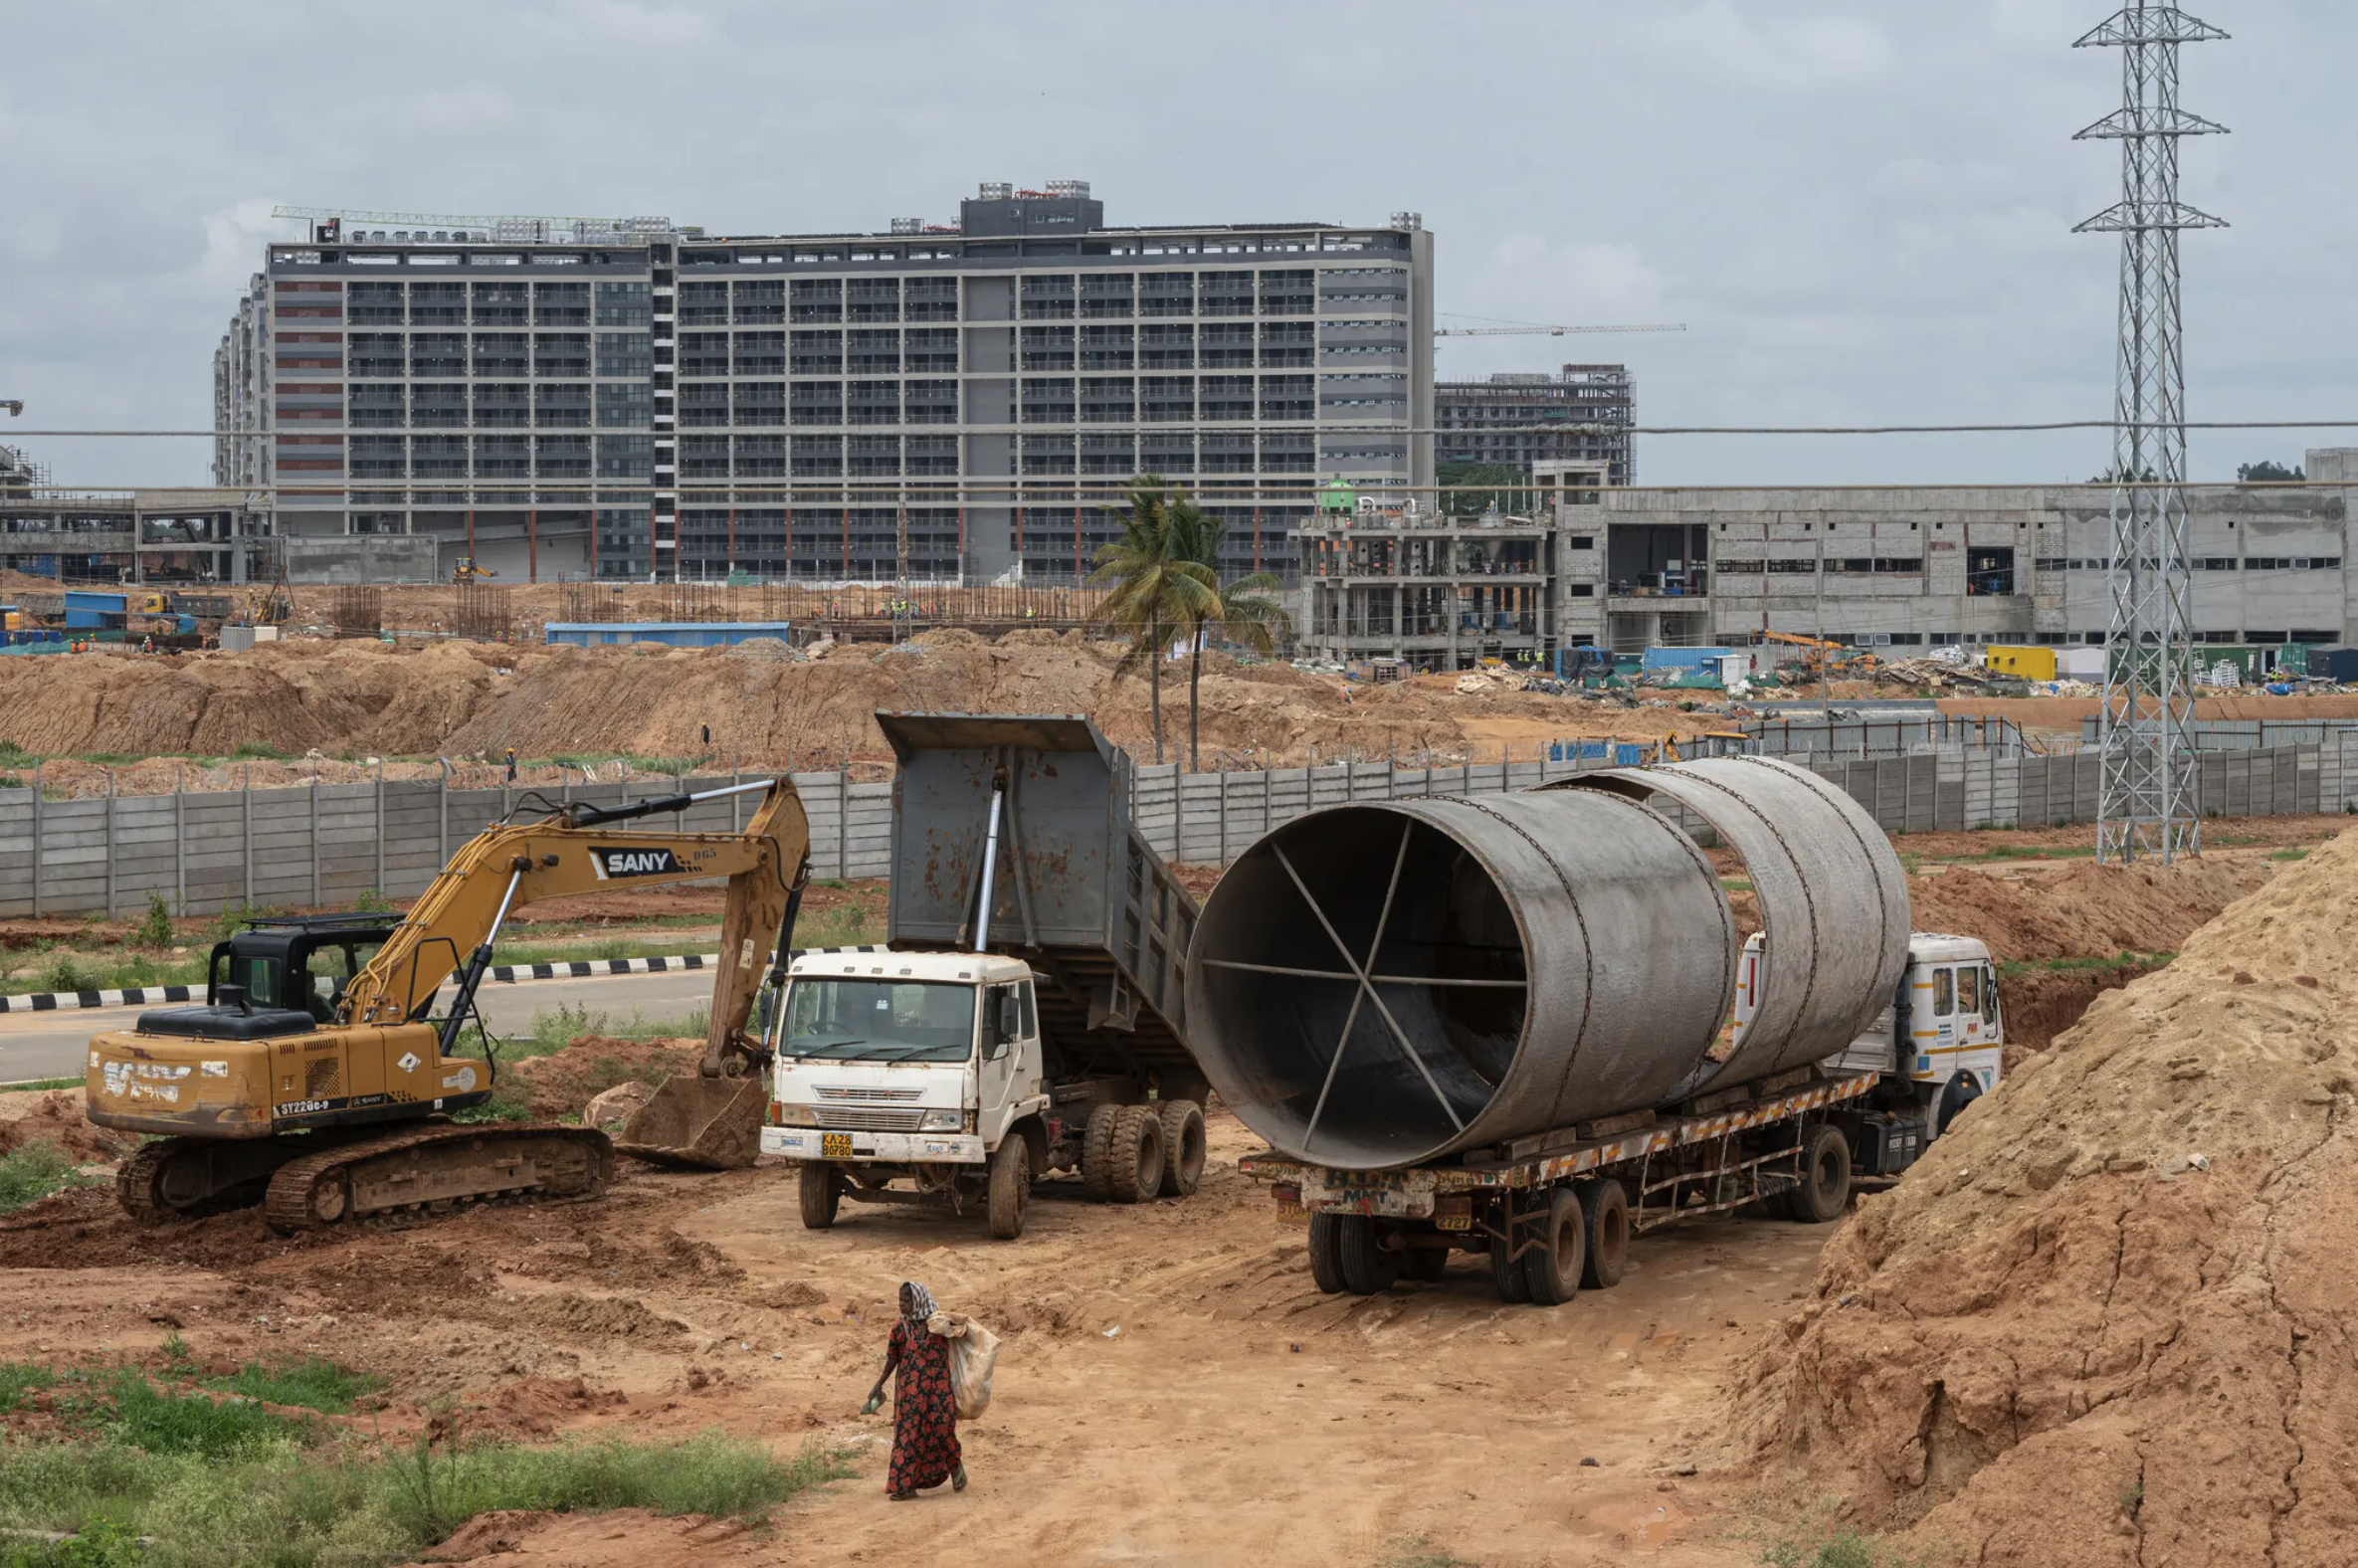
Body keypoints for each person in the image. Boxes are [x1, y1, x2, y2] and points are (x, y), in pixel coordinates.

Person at [864, 1280, 966, 1501]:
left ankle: (956, 1468)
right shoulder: (900, 1328)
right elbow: (892, 1358)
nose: (902, 1304)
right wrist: (878, 1384)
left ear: (917, 1301)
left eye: (906, 1300)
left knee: (942, 1430)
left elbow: (963, 1334)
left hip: (938, 1391)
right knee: (907, 1436)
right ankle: (905, 1486)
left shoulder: (937, 1324)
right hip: (909, 1395)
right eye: (900, 1300)